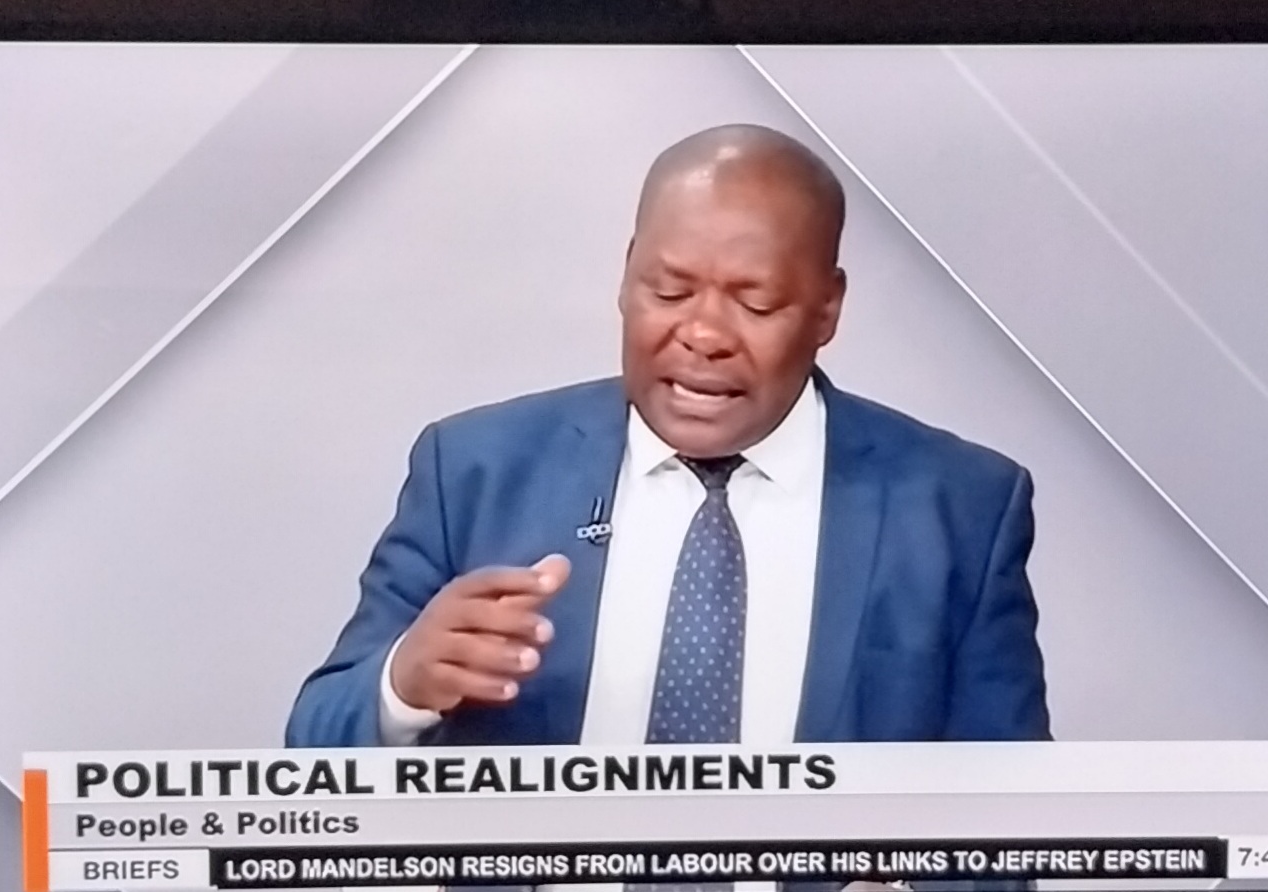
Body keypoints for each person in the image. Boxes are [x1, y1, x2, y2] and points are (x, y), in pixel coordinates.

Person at [285, 123, 1049, 751]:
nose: (703, 334)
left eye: (755, 303)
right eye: (669, 290)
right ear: (626, 278)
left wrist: (912, 878)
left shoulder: (961, 508)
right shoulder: (474, 471)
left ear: (826, 308)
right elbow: (313, 743)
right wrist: (402, 685)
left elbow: (1012, 820)